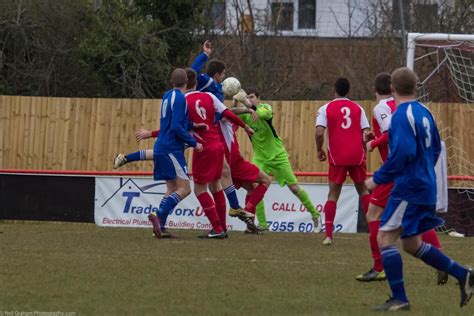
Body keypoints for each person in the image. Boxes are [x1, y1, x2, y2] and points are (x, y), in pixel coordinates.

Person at [366, 67, 473, 311]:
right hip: (426, 184)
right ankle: (463, 275)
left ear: (392, 89)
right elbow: (436, 148)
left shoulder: (401, 115)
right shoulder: (425, 112)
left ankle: (399, 299)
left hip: (409, 187)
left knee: (385, 238)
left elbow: (403, 152)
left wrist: (378, 178)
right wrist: (424, 171)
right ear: (415, 87)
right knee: (412, 244)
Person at [356, 73, 446, 283]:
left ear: (377, 88)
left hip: (394, 171)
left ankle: (380, 267)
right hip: (412, 172)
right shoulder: (416, 108)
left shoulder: (382, 107)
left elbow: (391, 135)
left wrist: (372, 144)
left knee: (373, 214)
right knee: (415, 221)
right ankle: (441, 260)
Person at [232, 88, 320, 231]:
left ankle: (315, 215)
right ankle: (262, 225)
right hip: (260, 158)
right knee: (254, 188)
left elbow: (262, 114)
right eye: (248, 97)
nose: (250, 99)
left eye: (252, 97)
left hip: (278, 156)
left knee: (294, 188)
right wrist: (236, 100)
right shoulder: (246, 114)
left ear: (258, 99)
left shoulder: (265, 108)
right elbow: (231, 115)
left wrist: (247, 104)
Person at [185, 68, 255, 238]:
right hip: (217, 145)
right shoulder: (210, 97)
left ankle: (217, 229)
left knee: (200, 189)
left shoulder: (182, 100)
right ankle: (222, 228)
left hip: (202, 147)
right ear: (196, 82)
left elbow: (179, 125)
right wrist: (245, 125)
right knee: (215, 185)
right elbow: (227, 113)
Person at [315, 78, 371, 245]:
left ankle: (328, 236)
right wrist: (363, 148)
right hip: (356, 156)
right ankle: (375, 230)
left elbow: (319, 133)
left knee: (333, 194)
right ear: (348, 91)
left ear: (335, 89)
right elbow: (366, 132)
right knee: (363, 191)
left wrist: (319, 149)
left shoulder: (326, 108)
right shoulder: (358, 108)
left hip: (337, 157)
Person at [148, 68, 203, 238]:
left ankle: (161, 228)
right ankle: (159, 214)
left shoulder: (167, 95)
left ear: (172, 82)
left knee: (172, 188)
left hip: (162, 145)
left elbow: (174, 122)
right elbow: (176, 126)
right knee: (185, 189)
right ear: (187, 82)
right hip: (172, 148)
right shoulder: (180, 98)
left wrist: (193, 126)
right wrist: (194, 142)